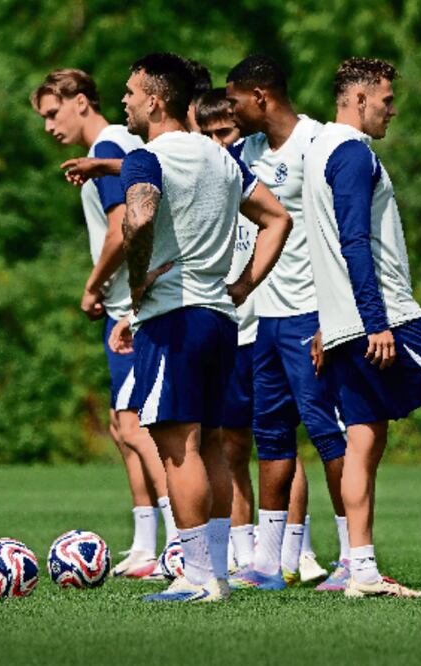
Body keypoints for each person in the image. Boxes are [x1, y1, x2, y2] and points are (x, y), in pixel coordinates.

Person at [108, 53, 292, 603]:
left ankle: (195, 575)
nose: (124, 102)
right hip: (219, 320)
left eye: (130, 93)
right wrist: (241, 286)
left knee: (177, 448)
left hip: (174, 319)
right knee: (211, 444)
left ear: (155, 100)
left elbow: (139, 216)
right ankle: (216, 575)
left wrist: (136, 283)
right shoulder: (221, 158)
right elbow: (278, 218)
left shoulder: (146, 158)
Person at [302, 58, 421, 599]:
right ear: (359, 99)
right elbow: (353, 241)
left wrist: (330, 321)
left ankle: (360, 570)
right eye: (385, 100)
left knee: (364, 436)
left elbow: (320, 245)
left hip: (342, 325)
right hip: (387, 317)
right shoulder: (352, 152)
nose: (392, 110)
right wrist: (375, 321)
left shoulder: (316, 151)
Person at [30, 69, 176, 578]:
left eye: (53, 113)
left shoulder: (111, 144)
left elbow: (122, 228)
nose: (49, 126)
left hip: (132, 307)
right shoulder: (108, 148)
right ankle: (145, 545)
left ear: (81, 102)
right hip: (123, 307)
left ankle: (179, 541)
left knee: (137, 425)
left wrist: (93, 285)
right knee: (123, 425)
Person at [224, 55, 347, 592]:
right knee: (271, 438)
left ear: (260, 96)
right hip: (266, 322)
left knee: (328, 436)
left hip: (312, 315)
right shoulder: (246, 151)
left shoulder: (316, 144)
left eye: (234, 101)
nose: (230, 111)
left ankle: (354, 557)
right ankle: (268, 565)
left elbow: (344, 233)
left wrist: (336, 317)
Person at [193, 89, 258, 573]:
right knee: (228, 446)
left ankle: (294, 551)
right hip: (226, 328)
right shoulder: (205, 184)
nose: (220, 143)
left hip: (269, 324)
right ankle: (241, 548)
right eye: (209, 135)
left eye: (226, 133)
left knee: (278, 442)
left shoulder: (255, 182)